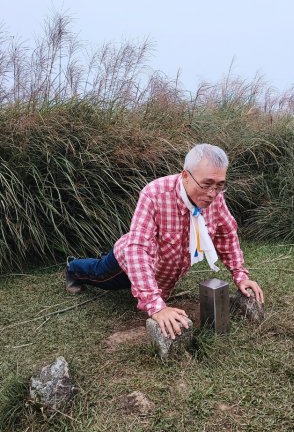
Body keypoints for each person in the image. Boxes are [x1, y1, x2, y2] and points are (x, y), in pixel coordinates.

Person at [65, 143, 264, 338]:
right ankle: (72, 268)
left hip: (162, 272)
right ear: (185, 175)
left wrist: (240, 274)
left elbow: (226, 234)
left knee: (112, 273)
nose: (212, 193)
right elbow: (137, 249)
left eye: (220, 185)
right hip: (129, 260)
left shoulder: (215, 198)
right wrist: (156, 306)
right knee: (100, 274)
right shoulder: (154, 194)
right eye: (206, 185)